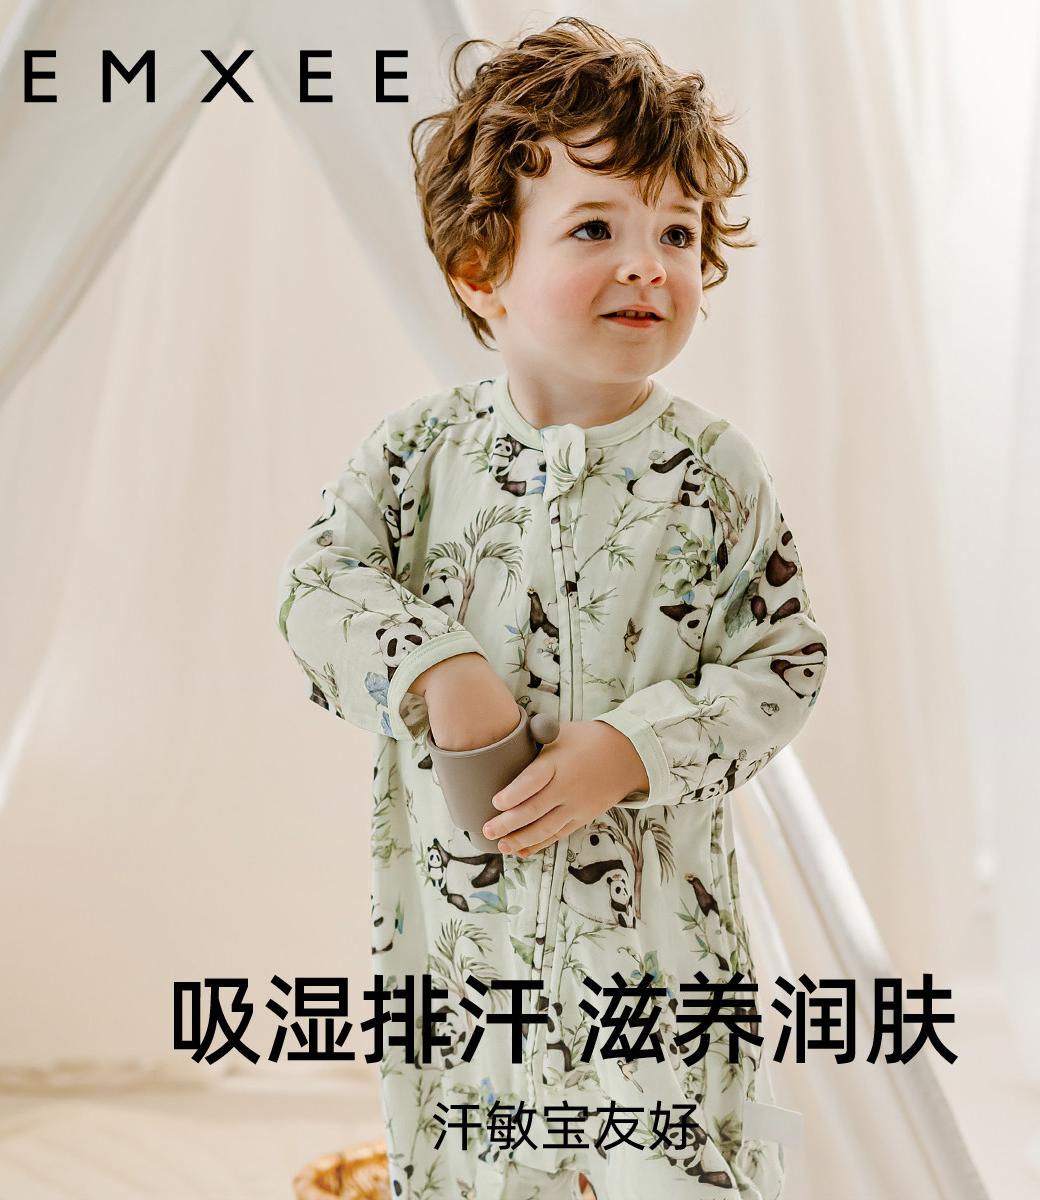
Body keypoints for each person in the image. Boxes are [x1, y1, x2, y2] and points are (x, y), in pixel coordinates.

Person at [275, 17, 827, 1200]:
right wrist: (439, 666)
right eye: (595, 228)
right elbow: (315, 590)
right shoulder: (417, 458)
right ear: (481, 269)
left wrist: (635, 746)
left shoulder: (713, 472)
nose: (649, 265)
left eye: (676, 233)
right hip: (466, 960)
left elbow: (783, 659)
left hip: (659, 959)